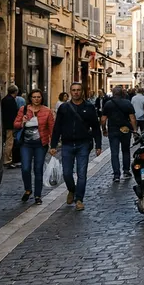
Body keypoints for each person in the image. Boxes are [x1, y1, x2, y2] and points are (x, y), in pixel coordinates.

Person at [50, 82, 103, 211]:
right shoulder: (64, 108)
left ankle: (79, 199)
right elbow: (57, 127)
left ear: (82, 91)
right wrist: (53, 145)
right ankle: (71, 190)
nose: (76, 92)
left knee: (82, 173)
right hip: (67, 144)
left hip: (83, 144)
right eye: (73, 90)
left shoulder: (89, 107)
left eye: (78, 90)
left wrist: (98, 145)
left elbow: (96, 127)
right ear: (70, 92)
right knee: (67, 173)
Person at [13, 90, 55, 204]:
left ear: (42, 98)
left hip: (41, 144)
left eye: (38, 97)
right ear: (30, 98)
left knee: (38, 168)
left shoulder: (47, 111)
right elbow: (15, 124)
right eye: (34, 97)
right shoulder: (24, 109)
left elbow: (52, 128)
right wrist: (22, 122)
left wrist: (53, 145)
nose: (36, 99)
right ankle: (28, 189)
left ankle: (37, 195)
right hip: (26, 144)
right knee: (25, 168)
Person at [101, 86, 138, 182]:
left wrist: (104, 129)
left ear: (113, 93)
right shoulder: (127, 103)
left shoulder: (108, 104)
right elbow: (132, 118)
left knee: (114, 153)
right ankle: (126, 171)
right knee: (126, 151)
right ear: (123, 93)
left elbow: (103, 119)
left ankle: (116, 174)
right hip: (125, 130)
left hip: (113, 130)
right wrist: (134, 130)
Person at [1, 85, 21, 168]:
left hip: (6, 123)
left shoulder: (5, 99)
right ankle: (8, 160)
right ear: (15, 92)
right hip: (9, 125)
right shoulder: (10, 100)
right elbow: (13, 114)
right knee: (9, 142)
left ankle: (8, 159)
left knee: (8, 142)